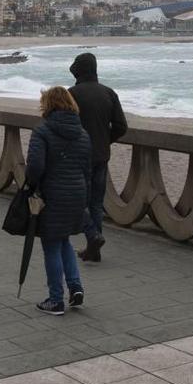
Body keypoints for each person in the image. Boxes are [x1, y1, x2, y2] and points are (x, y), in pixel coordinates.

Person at [25, 86, 92, 315]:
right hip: (77, 194)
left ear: (48, 104)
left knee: (51, 244)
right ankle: (75, 288)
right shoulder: (82, 134)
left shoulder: (43, 131)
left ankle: (56, 299)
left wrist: (34, 187)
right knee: (64, 241)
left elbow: (35, 167)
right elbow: (87, 169)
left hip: (52, 194)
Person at [68, 53, 128, 263]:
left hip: (77, 157)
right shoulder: (108, 93)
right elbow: (121, 127)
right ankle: (94, 250)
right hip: (101, 155)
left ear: (78, 71)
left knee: (76, 201)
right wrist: (105, 140)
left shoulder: (72, 94)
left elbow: (66, 126)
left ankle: (93, 236)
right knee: (95, 202)